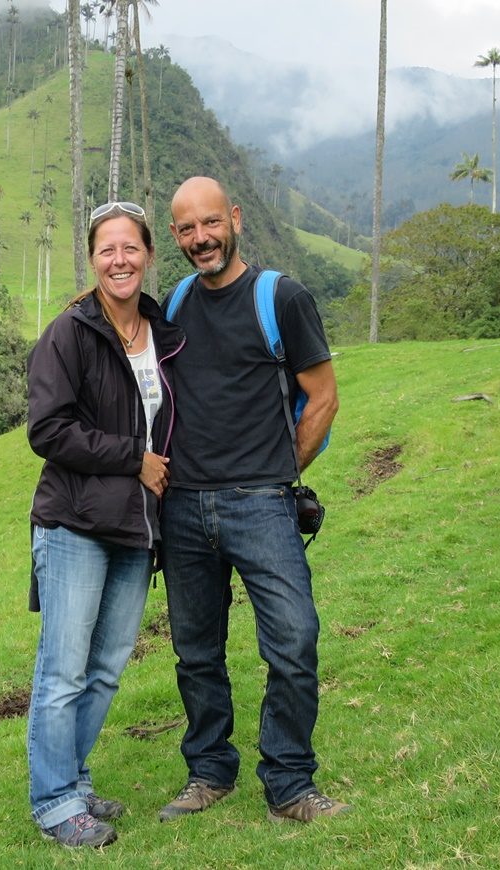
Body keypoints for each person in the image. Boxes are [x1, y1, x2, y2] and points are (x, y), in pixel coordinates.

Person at [157, 176, 347, 825]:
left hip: (261, 505)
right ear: (176, 236)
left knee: (294, 639)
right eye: (186, 229)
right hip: (183, 509)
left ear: (234, 217)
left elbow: (322, 396)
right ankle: (209, 769)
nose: (201, 238)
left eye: (210, 223)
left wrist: (280, 470)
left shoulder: (280, 298)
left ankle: (289, 781)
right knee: (196, 651)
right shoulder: (174, 305)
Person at [25, 201, 185, 848]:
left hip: (135, 528)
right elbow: (48, 430)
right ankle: (55, 800)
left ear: (148, 254)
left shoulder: (165, 333)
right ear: (92, 260)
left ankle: (76, 780)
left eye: (130, 248)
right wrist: (135, 460)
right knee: (62, 669)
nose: (119, 260)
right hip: (75, 525)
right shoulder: (69, 334)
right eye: (106, 250)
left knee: (106, 667)